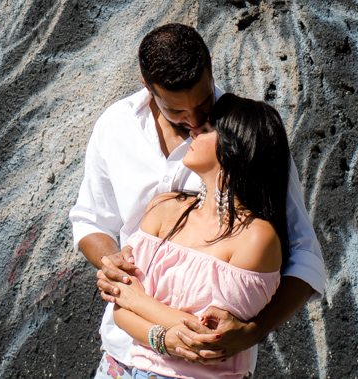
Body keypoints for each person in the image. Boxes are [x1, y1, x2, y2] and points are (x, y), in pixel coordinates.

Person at [70, 24, 324, 378]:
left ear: (210, 70)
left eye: (203, 108)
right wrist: (111, 263)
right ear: (148, 87)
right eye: (176, 112)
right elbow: (91, 220)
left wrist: (252, 331)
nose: (192, 122)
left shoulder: (242, 136)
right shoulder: (115, 126)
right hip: (120, 352)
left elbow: (305, 257)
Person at [111, 93, 290, 379]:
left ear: (235, 148)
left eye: (207, 130)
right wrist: (164, 338)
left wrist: (139, 302)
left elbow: (211, 338)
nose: (192, 131)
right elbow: (120, 307)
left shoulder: (257, 238)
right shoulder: (164, 209)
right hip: (127, 371)